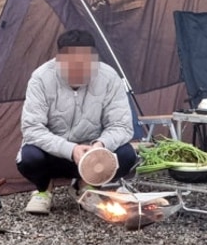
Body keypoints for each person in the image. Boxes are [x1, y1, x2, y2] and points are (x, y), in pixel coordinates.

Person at [16, 29, 137, 214]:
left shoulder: (109, 77)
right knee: (29, 157)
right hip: (53, 153)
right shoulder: (41, 78)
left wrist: (101, 144)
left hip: (92, 153)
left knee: (127, 154)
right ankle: (43, 190)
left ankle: (85, 186)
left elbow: (122, 125)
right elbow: (32, 128)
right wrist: (70, 149)